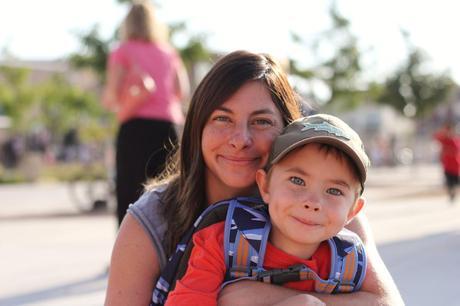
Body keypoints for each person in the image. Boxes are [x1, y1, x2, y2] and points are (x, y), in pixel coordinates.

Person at [104, 50, 404, 306]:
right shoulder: (154, 216)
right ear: (198, 127)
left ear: (287, 130)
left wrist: (264, 297)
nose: (240, 139)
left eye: (261, 122)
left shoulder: (323, 203)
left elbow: (387, 302)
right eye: (223, 119)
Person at [165, 114, 371, 305]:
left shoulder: (349, 263)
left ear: (353, 211)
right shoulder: (222, 242)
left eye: (334, 191)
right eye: (297, 180)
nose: (313, 202)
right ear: (264, 186)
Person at [101, 1, 189, 226]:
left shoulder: (123, 51)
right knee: (169, 194)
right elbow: (182, 91)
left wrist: (128, 98)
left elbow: (112, 96)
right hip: (168, 128)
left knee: (129, 193)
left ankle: (128, 255)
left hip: (134, 127)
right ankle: (170, 252)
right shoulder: (168, 53)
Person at [433, 121, 460, 202]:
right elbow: (436, 136)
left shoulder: (456, 139)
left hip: (455, 164)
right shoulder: (444, 139)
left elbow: (456, 150)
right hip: (447, 165)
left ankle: (453, 192)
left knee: (455, 182)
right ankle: (451, 194)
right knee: (449, 181)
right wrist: (443, 131)